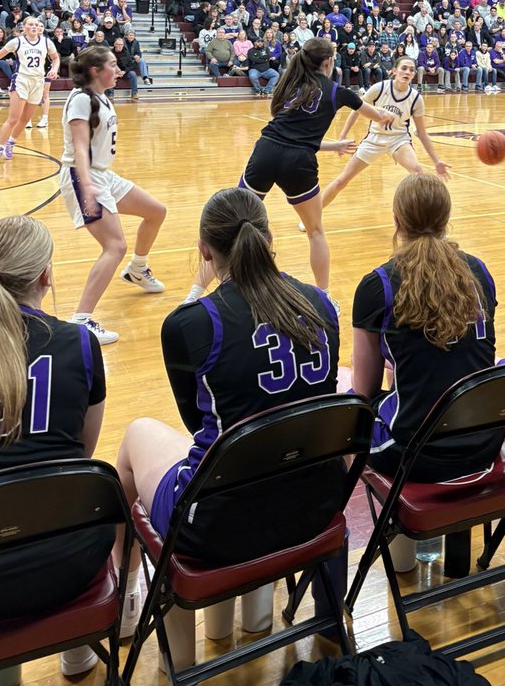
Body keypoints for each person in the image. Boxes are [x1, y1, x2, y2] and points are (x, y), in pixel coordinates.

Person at [113, 187, 343, 623]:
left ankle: (123, 600)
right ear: (269, 240)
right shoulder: (321, 305)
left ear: (204, 249)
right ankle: (302, 616)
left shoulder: (190, 323)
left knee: (136, 436)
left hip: (216, 527)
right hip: (314, 504)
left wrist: (198, 286)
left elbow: (196, 421)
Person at [0, 214, 118, 674]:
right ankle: (77, 653)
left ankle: (3, 674)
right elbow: (83, 452)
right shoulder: (80, 342)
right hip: (69, 561)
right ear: (45, 276)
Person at [352, 174, 501, 482]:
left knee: (352, 412)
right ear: (447, 218)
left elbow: (364, 391)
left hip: (413, 453)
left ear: (396, 220)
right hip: (485, 440)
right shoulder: (479, 271)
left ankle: (402, 526)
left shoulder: (378, 284)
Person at [236, 37, 395, 297]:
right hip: (298, 162)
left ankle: (200, 291)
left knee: (237, 221)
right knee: (315, 232)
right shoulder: (335, 90)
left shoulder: (290, 83)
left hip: (266, 150)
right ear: (329, 61)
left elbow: (289, 136)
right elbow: (374, 113)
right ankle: (325, 296)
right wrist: (386, 116)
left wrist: (335, 146)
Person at [60, 46, 167, 345]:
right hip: (83, 176)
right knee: (115, 246)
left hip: (103, 175)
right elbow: (80, 148)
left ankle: (137, 270)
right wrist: (88, 185)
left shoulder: (99, 96)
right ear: (96, 71)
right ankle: (82, 321)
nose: (118, 69)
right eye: (112, 64)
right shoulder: (82, 99)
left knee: (156, 211)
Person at [310, 56, 450, 223]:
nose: (408, 72)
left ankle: (426, 222)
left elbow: (421, 132)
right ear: (394, 71)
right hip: (374, 140)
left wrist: (436, 161)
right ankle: (310, 217)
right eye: (404, 68)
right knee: (341, 181)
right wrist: (342, 136)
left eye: (412, 70)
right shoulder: (379, 88)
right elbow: (356, 110)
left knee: (418, 174)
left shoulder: (416, 98)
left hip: (399, 140)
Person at [0, 15, 59, 164]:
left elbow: (56, 58)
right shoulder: (17, 42)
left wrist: (54, 69)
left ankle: (11, 143)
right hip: (21, 80)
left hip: (38, 82)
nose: (34, 26)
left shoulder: (46, 42)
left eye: (36, 24)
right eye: (30, 24)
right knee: (13, 119)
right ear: (24, 28)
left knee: (25, 119)